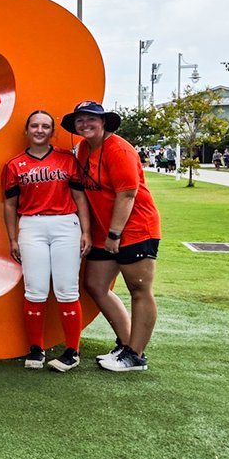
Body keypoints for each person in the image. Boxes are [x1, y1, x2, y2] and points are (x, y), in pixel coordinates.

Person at [64, 101, 161, 372]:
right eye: (80, 120)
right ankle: (126, 342)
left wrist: (115, 233)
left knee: (139, 289)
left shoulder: (118, 149)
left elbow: (127, 194)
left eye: (91, 119)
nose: (85, 124)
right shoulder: (84, 148)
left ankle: (136, 356)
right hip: (105, 233)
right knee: (95, 284)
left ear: (104, 122)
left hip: (135, 229)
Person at [2, 110, 92, 372]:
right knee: (35, 289)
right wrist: (12, 237)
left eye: (45, 126)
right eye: (34, 126)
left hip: (66, 224)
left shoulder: (67, 159)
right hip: (31, 225)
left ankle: (72, 351)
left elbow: (80, 198)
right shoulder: (14, 164)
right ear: (26, 131)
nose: (39, 130)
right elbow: (10, 205)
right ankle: (36, 348)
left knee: (66, 289)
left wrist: (86, 231)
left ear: (53, 132)